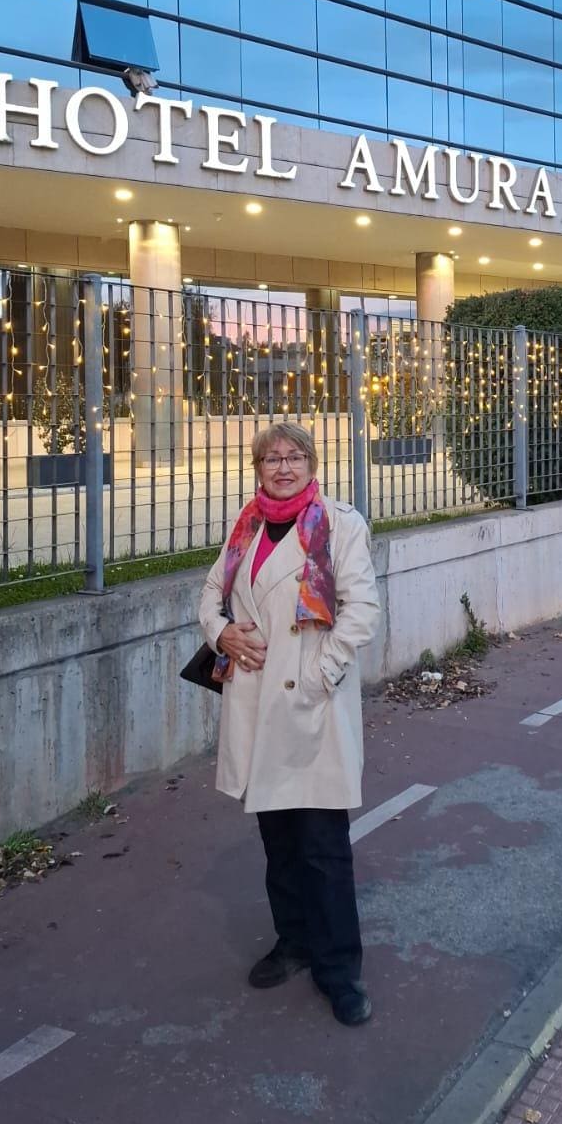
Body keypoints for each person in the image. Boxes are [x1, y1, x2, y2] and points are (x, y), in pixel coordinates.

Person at [198, 421, 380, 1026]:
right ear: (258, 468)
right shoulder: (247, 525)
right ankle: (294, 941)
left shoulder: (339, 524)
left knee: (323, 846)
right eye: (271, 458)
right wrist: (220, 631)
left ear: (311, 463)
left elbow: (361, 612)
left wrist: (318, 674)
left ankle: (339, 971)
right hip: (255, 703)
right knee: (277, 841)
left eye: (294, 456)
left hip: (310, 706)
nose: (283, 467)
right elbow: (210, 594)